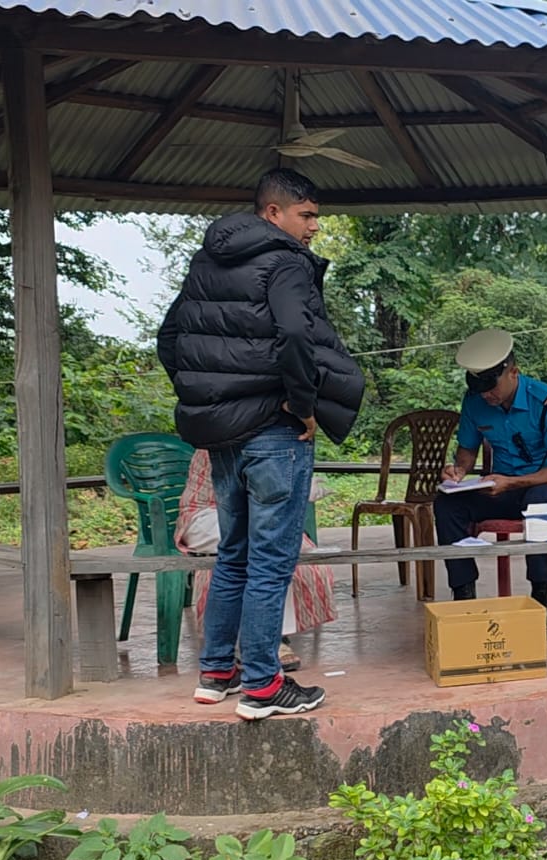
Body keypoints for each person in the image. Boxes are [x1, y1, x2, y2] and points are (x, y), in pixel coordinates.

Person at [157, 167, 364, 721]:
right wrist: (303, 403)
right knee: (272, 563)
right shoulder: (285, 261)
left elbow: (169, 337)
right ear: (273, 212)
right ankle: (263, 686)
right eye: (307, 215)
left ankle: (216, 672)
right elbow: (296, 334)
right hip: (274, 431)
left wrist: (206, 394)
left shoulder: (206, 262)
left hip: (223, 434)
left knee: (235, 554)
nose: (314, 227)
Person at [437, 329, 547, 641]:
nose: (487, 395)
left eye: (492, 387)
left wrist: (513, 482)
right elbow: (467, 451)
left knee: (539, 505)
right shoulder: (474, 402)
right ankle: (464, 598)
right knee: (447, 503)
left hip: (543, 486)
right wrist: (457, 471)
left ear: (513, 372)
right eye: (480, 388)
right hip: (499, 489)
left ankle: (540, 602)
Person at [174, 449, 337, 673]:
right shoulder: (230, 441)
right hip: (206, 517)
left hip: (244, 516)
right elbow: (257, 493)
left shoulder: (265, 445)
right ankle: (261, 646)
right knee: (269, 545)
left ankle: (270, 639)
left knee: (277, 547)